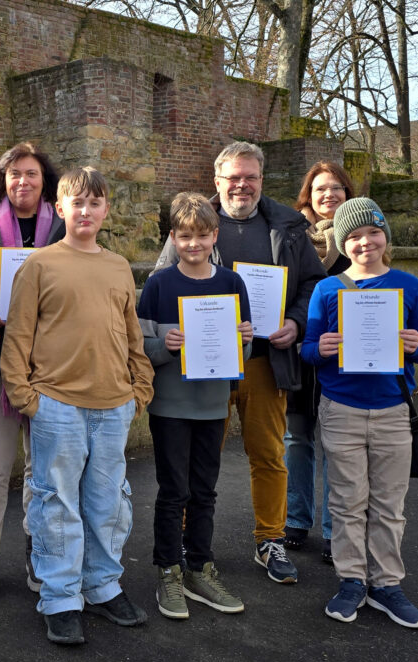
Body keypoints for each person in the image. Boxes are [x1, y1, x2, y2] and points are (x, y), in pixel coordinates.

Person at [154, 141, 325, 584]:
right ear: (218, 181)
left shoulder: (288, 225)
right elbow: (159, 284)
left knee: (267, 453)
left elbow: (312, 284)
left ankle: (270, 539)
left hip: (265, 359)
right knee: (194, 457)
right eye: (233, 177)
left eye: (250, 176)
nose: (242, 185)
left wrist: (296, 321)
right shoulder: (194, 222)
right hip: (199, 365)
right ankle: (190, 540)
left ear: (261, 180)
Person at [1, 167, 154, 645]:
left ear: (106, 209)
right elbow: (18, 336)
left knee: (107, 502)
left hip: (113, 404)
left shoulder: (118, 266)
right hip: (56, 405)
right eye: (77, 203)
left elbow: (131, 333)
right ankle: (61, 596)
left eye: (95, 203)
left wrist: (140, 387)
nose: (85, 211)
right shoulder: (40, 264)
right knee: (56, 502)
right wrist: (27, 397)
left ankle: (103, 586)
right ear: (60, 208)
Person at [300, 197, 418, 628]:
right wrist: (318, 349)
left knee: (389, 505)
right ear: (342, 242)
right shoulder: (328, 288)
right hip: (341, 409)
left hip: (393, 409)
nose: (364, 243)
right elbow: (308, 349)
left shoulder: (408, 286)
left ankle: (387, 584)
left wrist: (417, 346)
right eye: (354, 236)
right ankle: (352, 580)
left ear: (385, 237)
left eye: (372, 232)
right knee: (346, 502)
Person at [138, 193, 253, 620]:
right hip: (170, 405)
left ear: (214, 236)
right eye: (185, 236)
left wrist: (244, 336)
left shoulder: (231, 283)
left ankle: (199, 568)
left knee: (205, 491)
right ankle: (168, 570)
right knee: (173, 492)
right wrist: (164, 347)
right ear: (173, 237)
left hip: (212, 404)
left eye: (202, 236)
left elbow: (243, 344)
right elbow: (140, 345)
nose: (193, 244)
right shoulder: (159, 284)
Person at [0, 142, 64, 599]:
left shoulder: (63, 227)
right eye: (14, 174)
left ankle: (34, 549)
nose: (22, 182)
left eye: (32, 174)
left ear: (46, 181)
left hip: (49, 366)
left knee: (41, 468)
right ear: (2, 180)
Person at [283, 161, 357, 562]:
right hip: (298, 353)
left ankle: (334, 530)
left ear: (348, 193)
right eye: (320, 189)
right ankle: (296, 519)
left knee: (337, 446)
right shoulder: (292, 237)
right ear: (307, 197)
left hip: (343, 359)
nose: (329, 195)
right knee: (297, 440)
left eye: (337, 188)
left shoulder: (361, 236)